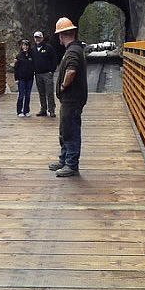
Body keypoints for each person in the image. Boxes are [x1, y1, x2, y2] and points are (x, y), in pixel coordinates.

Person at [48, 17, 88, 178]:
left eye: (59, 34)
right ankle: (64, 159)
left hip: (71, 99)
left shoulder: (72, 51)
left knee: (70, 130)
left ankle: (71, 164)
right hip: (71, 99)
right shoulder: (76, 49)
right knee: (65, 129)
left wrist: (63, 86)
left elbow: (71, 71)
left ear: (62, 35)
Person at [30, 30, 57, 117]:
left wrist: (52, 71)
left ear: (42, 38)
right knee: (41, 93)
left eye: (39, 37)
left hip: (47, 74)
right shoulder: (33, 49)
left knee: (49, 92)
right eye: (36, 37)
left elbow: (54, 59)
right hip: (38, 74)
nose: (37, 39)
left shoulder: (48, 48)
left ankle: (51, 110)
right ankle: (43, 109)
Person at [13, 38, 35, 117]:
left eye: (26, 45)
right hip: (21, 78)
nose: (25, 47)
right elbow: (15, 68)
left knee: (28, 95)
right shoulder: (19, 56)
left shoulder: (31, 55)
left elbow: (34, 65)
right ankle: (19, 111)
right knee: (21, 95)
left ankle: (26, 110)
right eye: (23, 45)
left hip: (30, 78)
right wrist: (16, 79)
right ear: (21, 46)